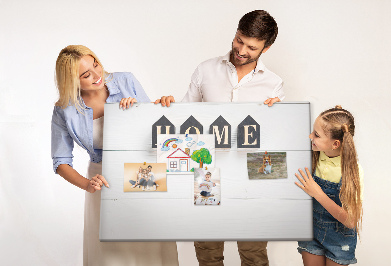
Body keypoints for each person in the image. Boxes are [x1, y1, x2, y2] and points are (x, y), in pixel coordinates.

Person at [156, 9, 283, 266]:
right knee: (208, 251)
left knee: (254, 253)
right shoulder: (205, 70)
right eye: (239, 40)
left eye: (251, 47)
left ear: (265, 49)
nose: (242, 50)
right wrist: (167, 106)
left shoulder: (274, 84)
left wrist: (278, 116)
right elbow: (184, 119)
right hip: (207, 171)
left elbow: (276, 138)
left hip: (251, 173)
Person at [51, 45, 178, 266]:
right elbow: (61, 162)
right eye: (86, 75)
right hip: (103, 180)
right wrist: (87, 184)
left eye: (96, 65)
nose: (97, 75)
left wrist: (148, 108)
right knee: (112, 252)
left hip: (143, 169)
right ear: (71, 81)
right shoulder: (65, 110)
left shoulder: (125, 81)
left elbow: (154, 132)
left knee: (150, 241)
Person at [295, 105, 363, 266]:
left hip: (339, 239)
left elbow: (351, 221)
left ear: (335, 144)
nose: (310, 136)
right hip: (310, 232)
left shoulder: (353, 171)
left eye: (316, 135)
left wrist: (318, 193)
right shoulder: (312, 156)